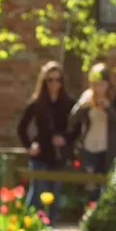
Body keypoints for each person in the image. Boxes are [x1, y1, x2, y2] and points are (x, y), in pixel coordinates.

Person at [17, 60, 74, 220]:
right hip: (41, 154)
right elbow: (21, 127)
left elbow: (76, 129)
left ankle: (51, 227)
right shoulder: (37, 103)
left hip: (58, 155)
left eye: (58, 80)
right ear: (44, 82)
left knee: (55, 194)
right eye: (50, 80)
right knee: (36, 193)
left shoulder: (69, 103)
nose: (54, 83)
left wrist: (65, 139)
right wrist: (30, 145)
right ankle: (28, 225)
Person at [69, 63, 116, 201]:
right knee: (91, 186)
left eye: (101, 84)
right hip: (90, 147)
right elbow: (72, 120)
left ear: (108, 84)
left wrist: (109, 108)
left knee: (108, 185)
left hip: (110, 148)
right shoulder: (88, 96)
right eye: (95, 84)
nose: (98, 88)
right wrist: (82, 106)